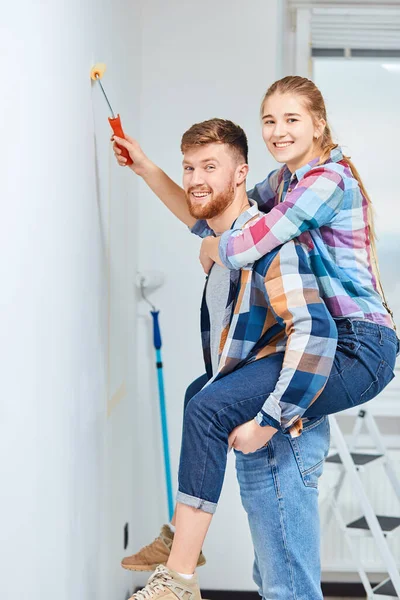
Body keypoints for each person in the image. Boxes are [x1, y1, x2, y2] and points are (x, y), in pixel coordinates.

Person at [113, 76, 398, 599]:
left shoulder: (327, 180)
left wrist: (270, 420)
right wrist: (146, 168)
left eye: (292, 119)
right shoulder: (284, 182)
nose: (278, 130)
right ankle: (183, 541)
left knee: (212, 410)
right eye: (270, 120)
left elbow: (255, 235)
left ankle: (178, 577)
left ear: (319, 123)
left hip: (360, 345)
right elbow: (219, 210)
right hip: (328, 337)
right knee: (200, 395)